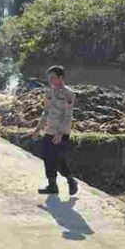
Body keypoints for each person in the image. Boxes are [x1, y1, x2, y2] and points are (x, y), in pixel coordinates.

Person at [33, 65, 78, 196]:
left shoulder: (68, 94)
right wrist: (38, 129)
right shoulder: (48, 93)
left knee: (59, 159)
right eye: (49, 78)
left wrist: (61, 132)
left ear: (61, 78)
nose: (50, 80)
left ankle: (71, 181)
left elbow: (68, 115)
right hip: (49, 130)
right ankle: (52, 185)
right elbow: (45, 112)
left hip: (61, 132)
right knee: (47, 158)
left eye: (53, 77)